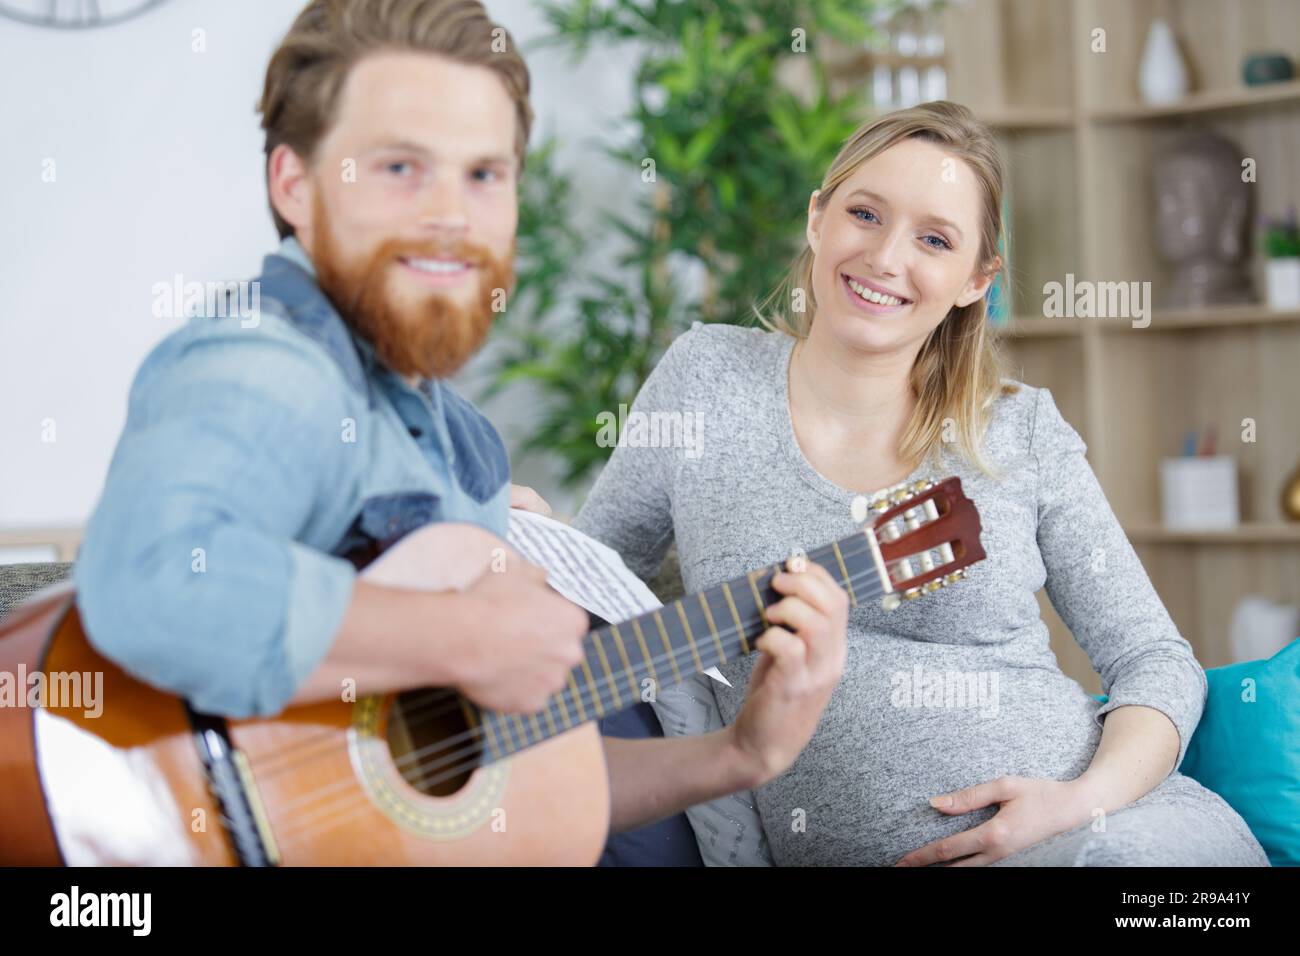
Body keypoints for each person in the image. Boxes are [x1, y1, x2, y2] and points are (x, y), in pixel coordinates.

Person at [73, 0, 847, 848]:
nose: (452, 213)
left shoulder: (462, 443)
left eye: (484, 174)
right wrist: (459, 631)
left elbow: (497, 789)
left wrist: (740, 753)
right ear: (294, 184)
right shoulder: (273, 366)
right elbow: (151, 577)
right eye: (401, 167)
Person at [573, 100, 1270, 866]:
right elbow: (583, 595)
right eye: (865, 214)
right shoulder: (707, 380)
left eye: (933, 238)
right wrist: (522, 548)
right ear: (817, 218)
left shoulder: (1019, 430)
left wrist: (1075, 805)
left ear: (976, 279)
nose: (885, 257)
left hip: (1109, 835)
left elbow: (1155, 660)